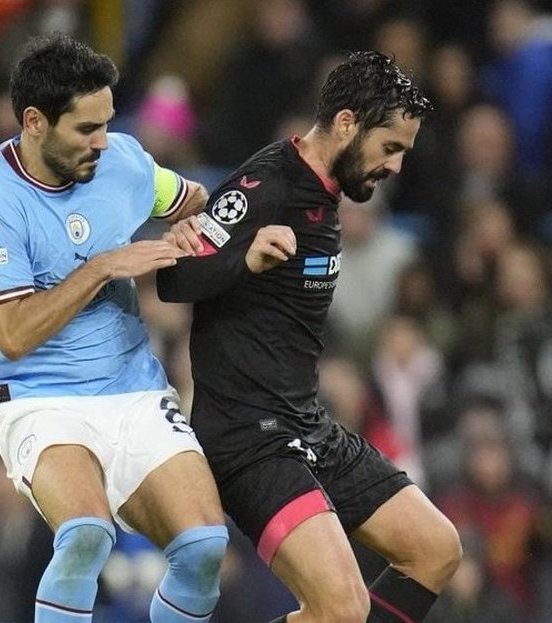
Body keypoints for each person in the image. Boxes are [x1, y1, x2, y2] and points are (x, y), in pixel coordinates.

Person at [157, 51, 462, 623]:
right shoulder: (263, 184)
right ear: (347, 123)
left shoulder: (325, 194)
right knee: (339, 610)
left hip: (306, 426)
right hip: (248, 441)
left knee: (435, 549)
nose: (395, 166)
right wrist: (243, 259)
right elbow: (175, 278)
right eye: (389, 147)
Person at [0, 33, 229, 623]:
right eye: (86, 129)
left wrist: (192, 232)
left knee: (206, 547)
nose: (103, 142)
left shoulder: (125, 161)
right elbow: (12, 334)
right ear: (34, 122)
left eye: (106, 123)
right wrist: (103, 265)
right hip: (41, 397)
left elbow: (194, 200)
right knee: (85, 534)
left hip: (132, 385)